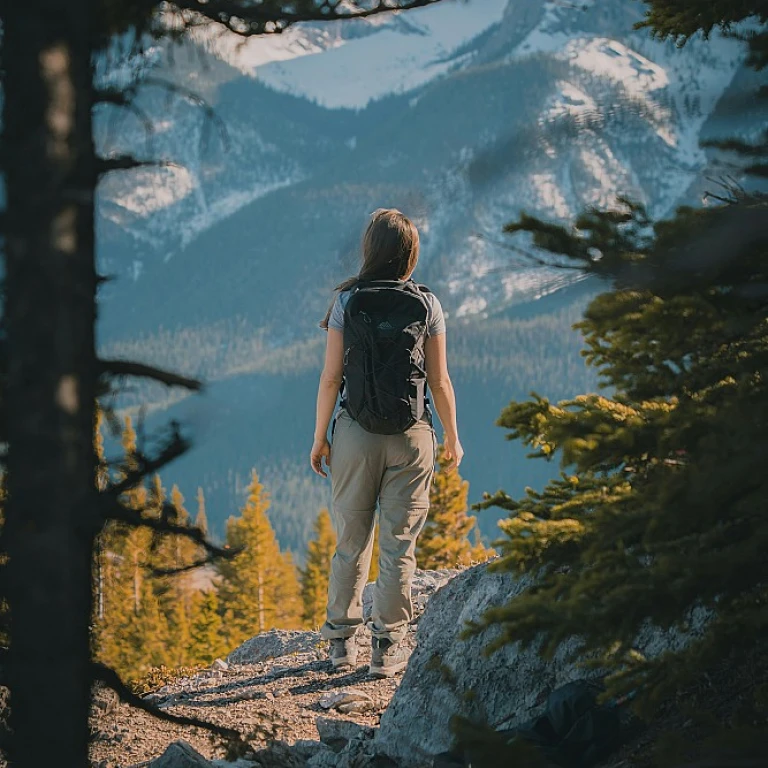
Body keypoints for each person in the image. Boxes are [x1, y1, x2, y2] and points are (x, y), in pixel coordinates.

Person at [310, 208, 463, 678]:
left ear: (369, 250)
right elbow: (438, 380)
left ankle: (340, 644)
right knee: (399, 543)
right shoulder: (427, 304)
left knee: (351, 540)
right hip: (412, 436)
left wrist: (320, 438)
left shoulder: (347, 302)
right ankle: (386, 647)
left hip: (355, 434)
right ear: (410, 254)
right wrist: (453, 437)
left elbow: (332, 376)